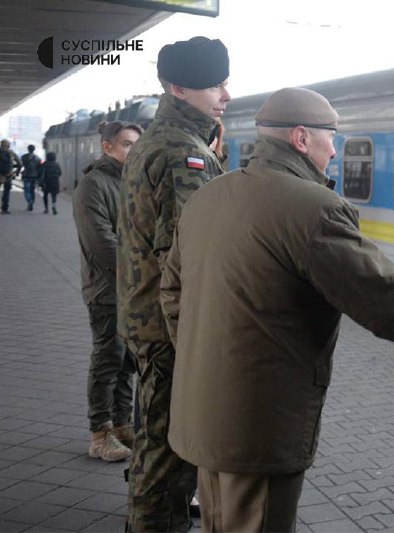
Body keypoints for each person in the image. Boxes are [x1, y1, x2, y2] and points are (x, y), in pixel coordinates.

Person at [160, 87, 394, 532]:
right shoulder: (314, 208)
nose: (336, 150)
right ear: (302, 138)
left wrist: (199, 355)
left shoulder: (209, 195)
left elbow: (171, 290)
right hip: (260, 422)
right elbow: (381, 298)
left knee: (219, 524)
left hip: (203, 411)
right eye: (332, 137)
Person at [116, 36, 230, 532]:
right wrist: (199, 336)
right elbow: (188, 259)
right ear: (180, 87)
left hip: (146, 318)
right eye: (215, 84)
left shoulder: (156, 140)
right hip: (168, 329)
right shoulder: (185, 155)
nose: (226, 93)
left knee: (154, 440)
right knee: (168, 450)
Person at [73, 121, 142, 463]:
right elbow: (101, 243)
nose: (133, 151)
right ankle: (100, 433)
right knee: (107, 358)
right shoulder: (93, 184)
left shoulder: (132, 182)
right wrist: (143, 271)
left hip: (133, 289)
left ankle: (121, 424)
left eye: (136, 145)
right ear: (108, 147)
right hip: (107, 289)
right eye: (127, 144)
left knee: (128, 361)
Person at [0, 139, 22, 214]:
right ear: (8, 146)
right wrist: (15, 172)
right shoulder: (11, 153)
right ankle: (4, 209)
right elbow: (20, 164)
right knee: (6, 192)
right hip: (8, 175)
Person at [20, 145, 41, 211]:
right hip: (34, 176)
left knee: (27, 190)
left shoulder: (24, 157)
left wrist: (17, 172)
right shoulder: (38, 158)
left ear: (28, 149)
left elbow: (20, 165)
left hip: (26, 175)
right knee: (32, 190)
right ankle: (31, 202)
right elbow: (39, 168)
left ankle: (29, 201)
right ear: (34, 149)